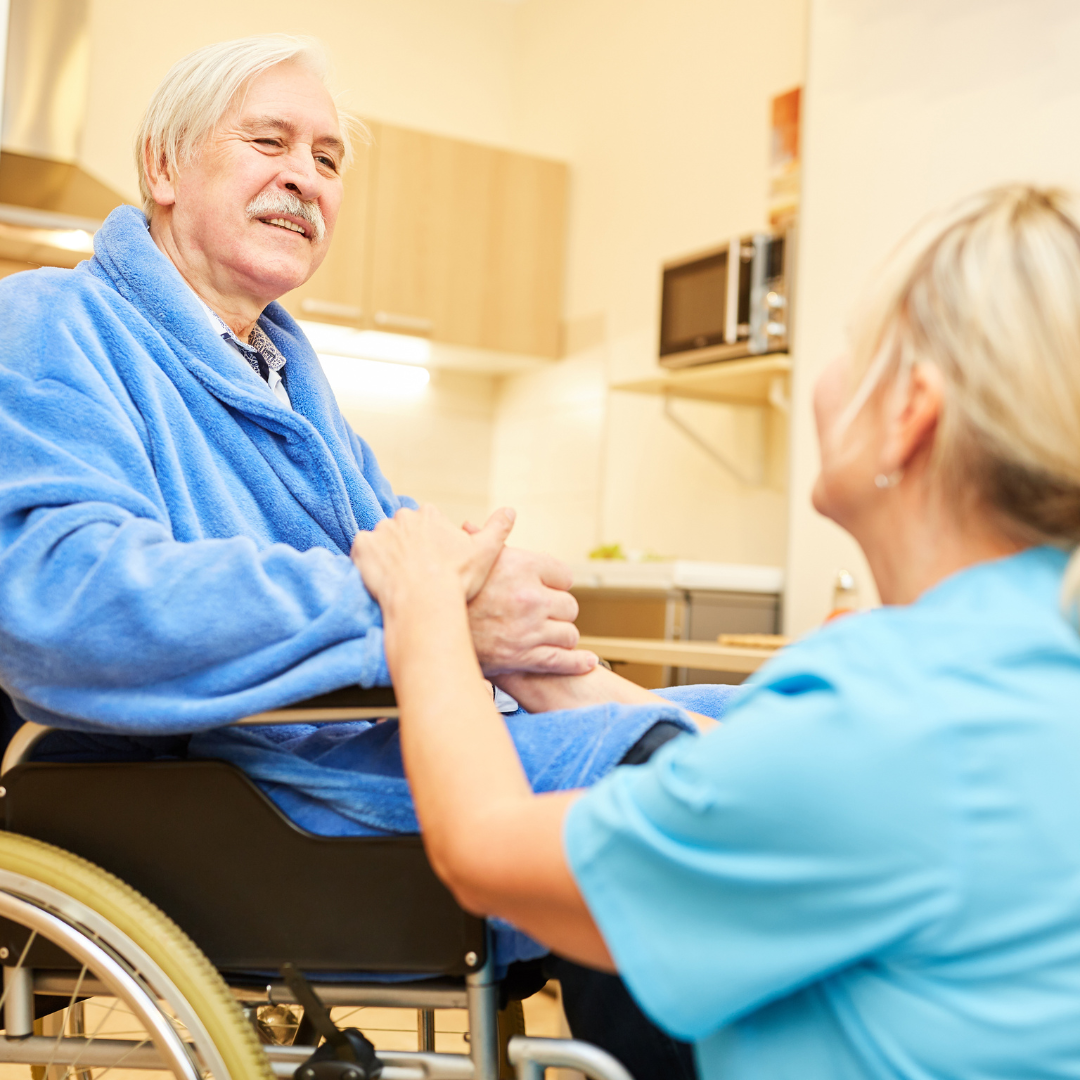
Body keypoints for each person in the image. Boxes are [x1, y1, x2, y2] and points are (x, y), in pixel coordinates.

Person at [0, 35, 731, 1078]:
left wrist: (542, 644)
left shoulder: (286, 372)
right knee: (657, 800)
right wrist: (421, 613)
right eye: (270, 141)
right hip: (233, 784)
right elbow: (61, 598)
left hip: (345, 746)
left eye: (330, 159)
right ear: (164, 168)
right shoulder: (53, 324)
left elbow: (412, 552)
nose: (306, 176)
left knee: (760, 741)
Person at [350, 184, 1080, 1080]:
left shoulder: (888, 713)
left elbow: (485, 851)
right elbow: (741, 766)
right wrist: (544, 665)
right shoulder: (1021, 654)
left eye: (853, 350)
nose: (828, 375)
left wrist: (427, 605)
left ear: (909, 416)